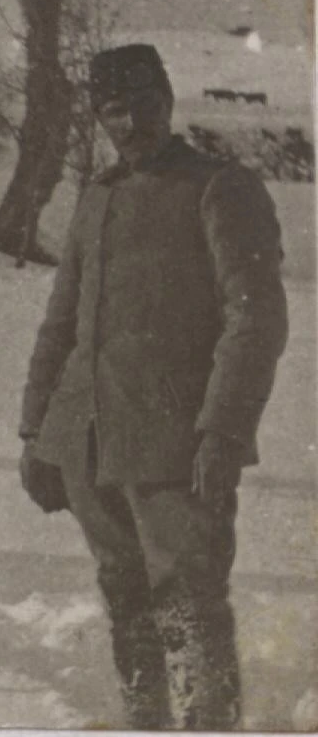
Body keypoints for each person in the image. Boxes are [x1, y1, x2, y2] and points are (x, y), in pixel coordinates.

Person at [18, 44, 288, 729]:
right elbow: (62, 323)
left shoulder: (219, 187)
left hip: (176, 445)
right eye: (114, 109)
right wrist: (36, 430)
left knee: (189, 605)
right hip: (89, 441)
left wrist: (223, 430)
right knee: (125, 595)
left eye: (144, 105)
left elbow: (254, 319)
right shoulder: (97, 195)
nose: (131, 122)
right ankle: (145, 721)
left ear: (168, 103)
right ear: (100, 117)